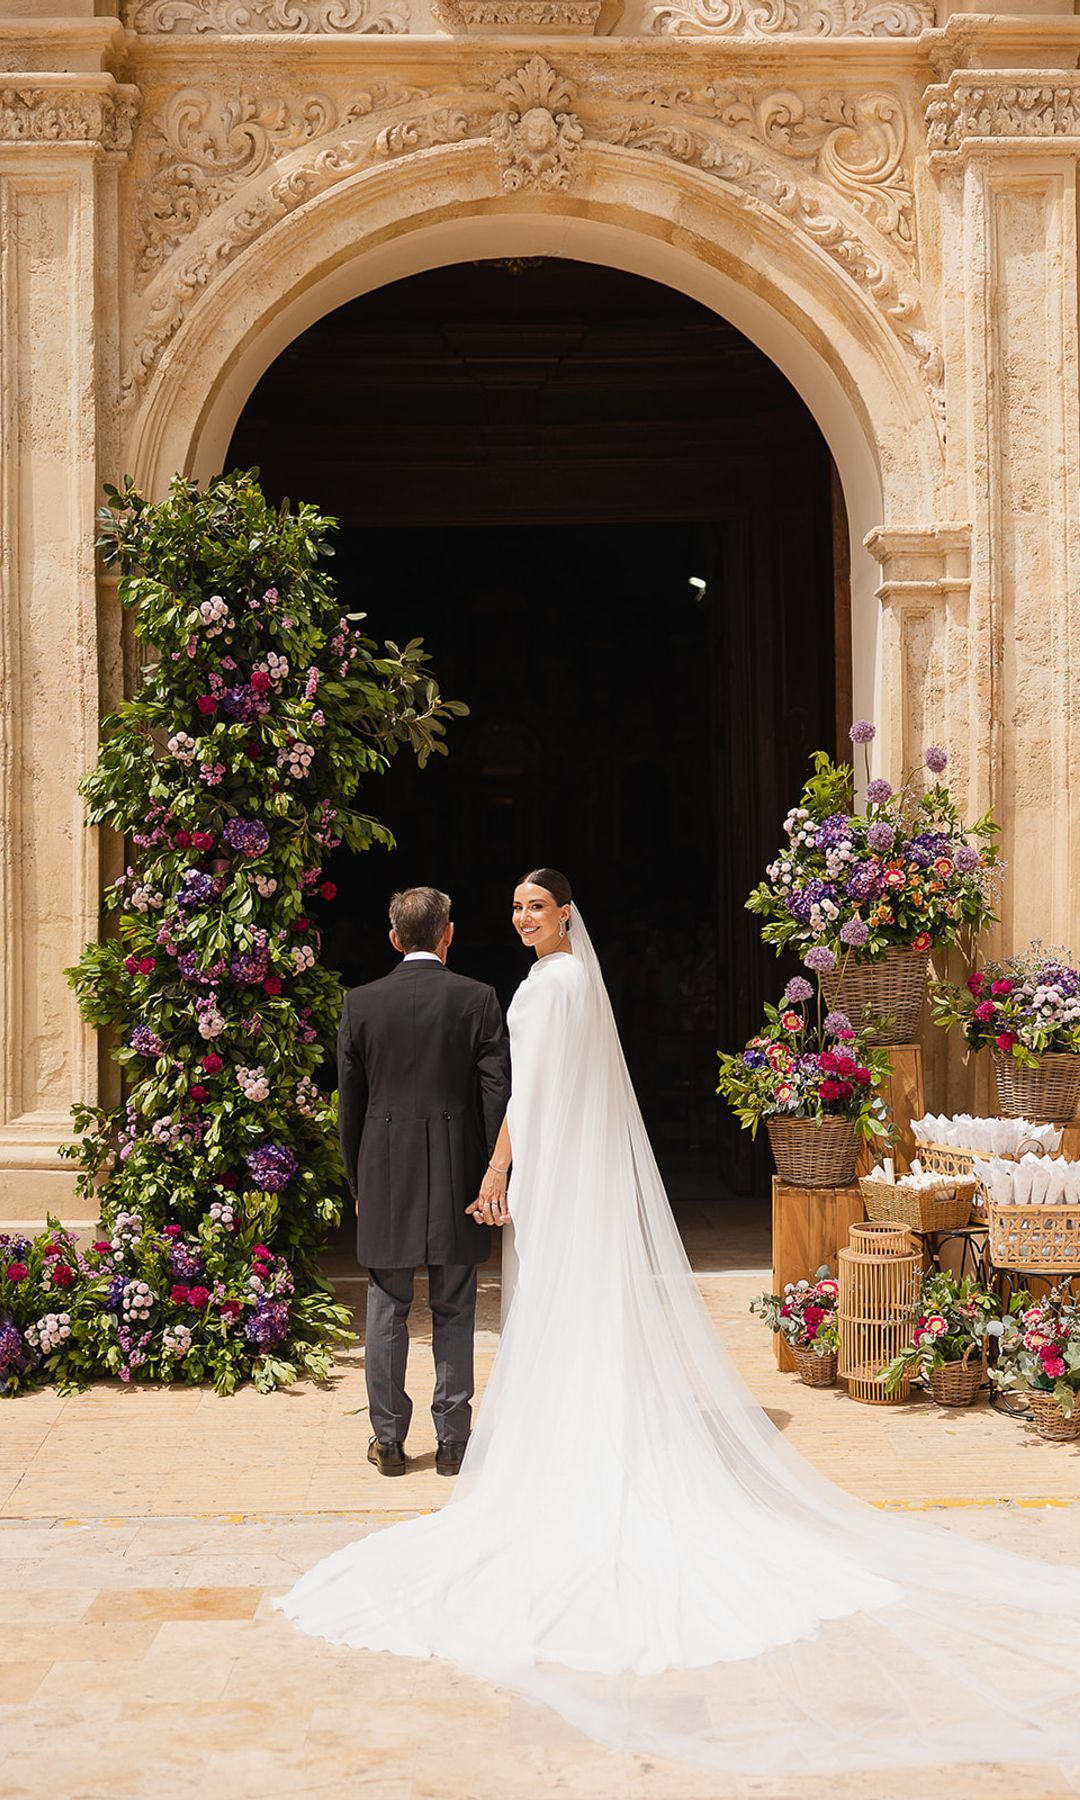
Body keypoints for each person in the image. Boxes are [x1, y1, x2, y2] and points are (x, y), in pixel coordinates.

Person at [278, 871, 1080, 1780]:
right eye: (515, 907)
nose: (524, 917)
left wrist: (493, 1171)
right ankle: (508, 1430)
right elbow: (513, 1090)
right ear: (457, 931)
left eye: (536, 906)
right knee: (491, 1308)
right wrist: (496, 1162)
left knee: (457, 1307)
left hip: (523, 1168)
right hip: (553, 1169)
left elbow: (518, 1098)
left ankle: (456, 1437)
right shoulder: (533, 987)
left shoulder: (535, 987)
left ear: (566, 914)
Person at [336, 885, 509, 1478]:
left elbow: (350, 1106)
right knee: (455, 1305)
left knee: (387, 1306)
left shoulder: (361, 1002)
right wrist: (495, 1171)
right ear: (448, 934)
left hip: (384, 1169)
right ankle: (453, 1442)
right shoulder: (477, 998)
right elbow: (496, 1095)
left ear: (393, 938)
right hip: (460, 1167)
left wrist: (357, 1183)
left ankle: (388, 1440)